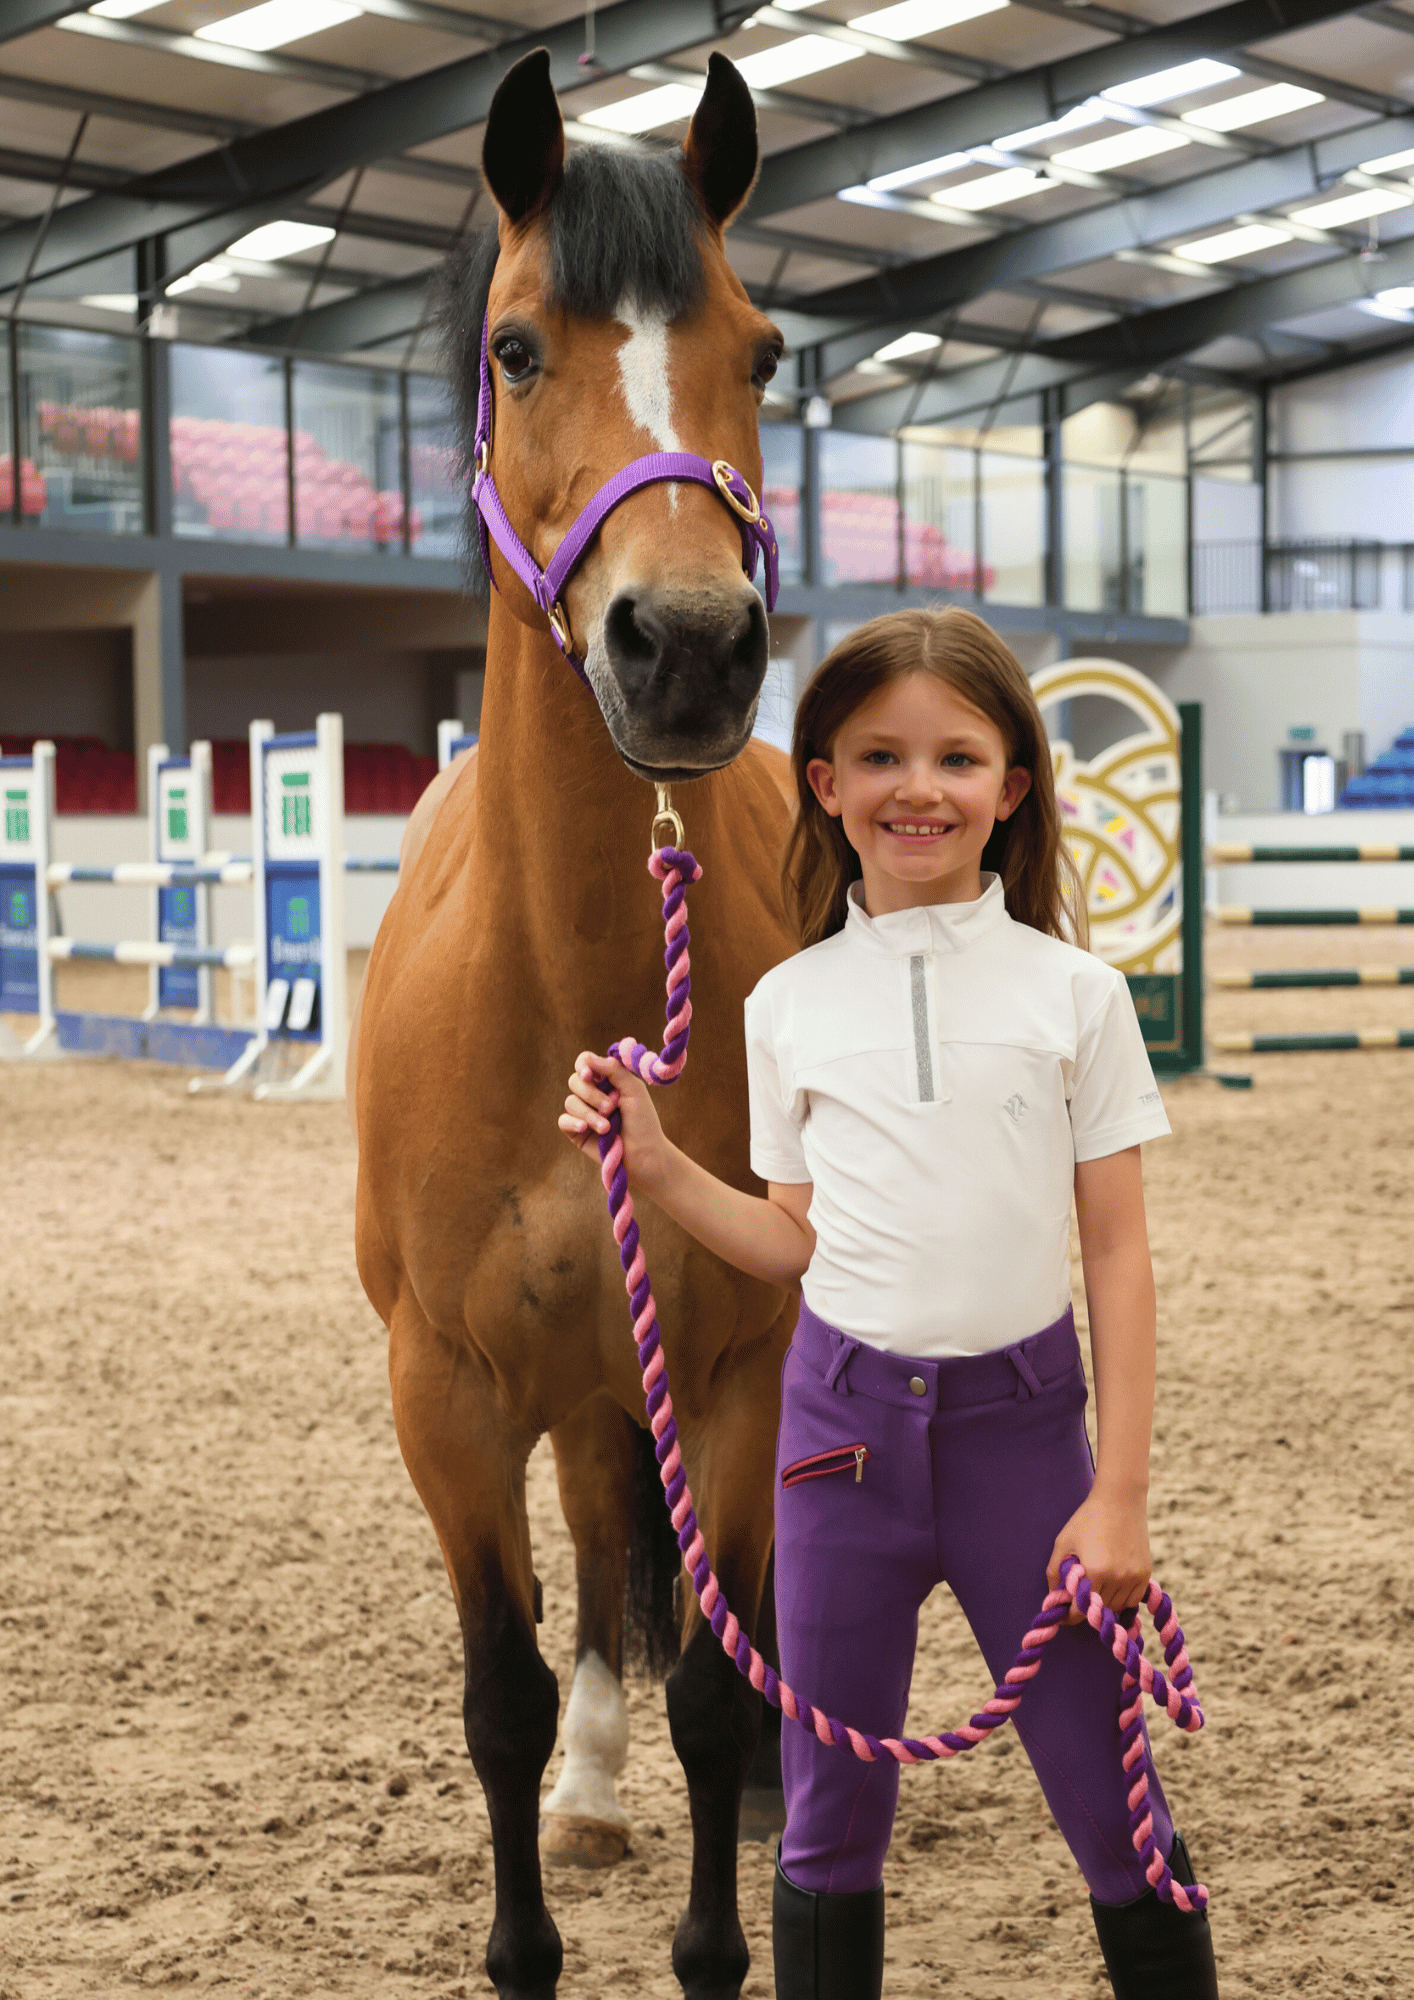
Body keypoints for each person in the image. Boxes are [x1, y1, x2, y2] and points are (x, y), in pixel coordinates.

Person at [559, 606, 1219, 2000]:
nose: (918, 788)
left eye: (956, 759)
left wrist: (1122, 1496)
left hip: (1024, 1445)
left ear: (1011, 789)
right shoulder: (790, 1002)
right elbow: (792, 1240)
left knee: (1112, 1808)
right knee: (825, 1822)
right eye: (878, 757)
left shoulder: (1077, 996)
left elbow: (1115, 1253)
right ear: (824, 784)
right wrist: (659, 1164)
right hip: (837, 1445)